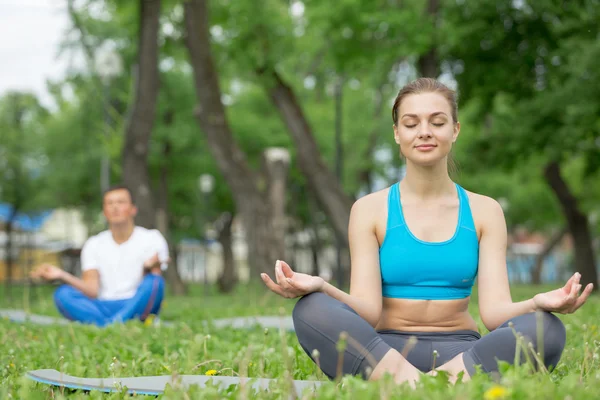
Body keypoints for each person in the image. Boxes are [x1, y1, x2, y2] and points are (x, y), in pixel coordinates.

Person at [261, 78, 593, 385]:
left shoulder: (485, 211)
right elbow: (367, 312)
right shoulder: (369, 209)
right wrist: (322, 287)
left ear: (455, 130)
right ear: (396, 133)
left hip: (463, 355)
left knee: (546, 329)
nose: (424, 132)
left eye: (437, 122)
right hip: (383, 352)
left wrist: (538, 302)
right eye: (411, 123)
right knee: (311, 308)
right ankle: (431, 387)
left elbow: (494, 314)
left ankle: (417, 387)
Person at [31, 185, 169, 327]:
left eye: (121, 202)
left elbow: (153, 285)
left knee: (155, 281)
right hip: (102, 305)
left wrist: (149, 268)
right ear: (104, 211)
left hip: (135, 302)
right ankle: (117, 324)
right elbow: (92, 290)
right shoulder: (93, 244)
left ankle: (107, 325)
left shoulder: (152, 238)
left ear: (133, 209)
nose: (115, 207)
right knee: (63, 294)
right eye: (110, 203)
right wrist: (61, 275)